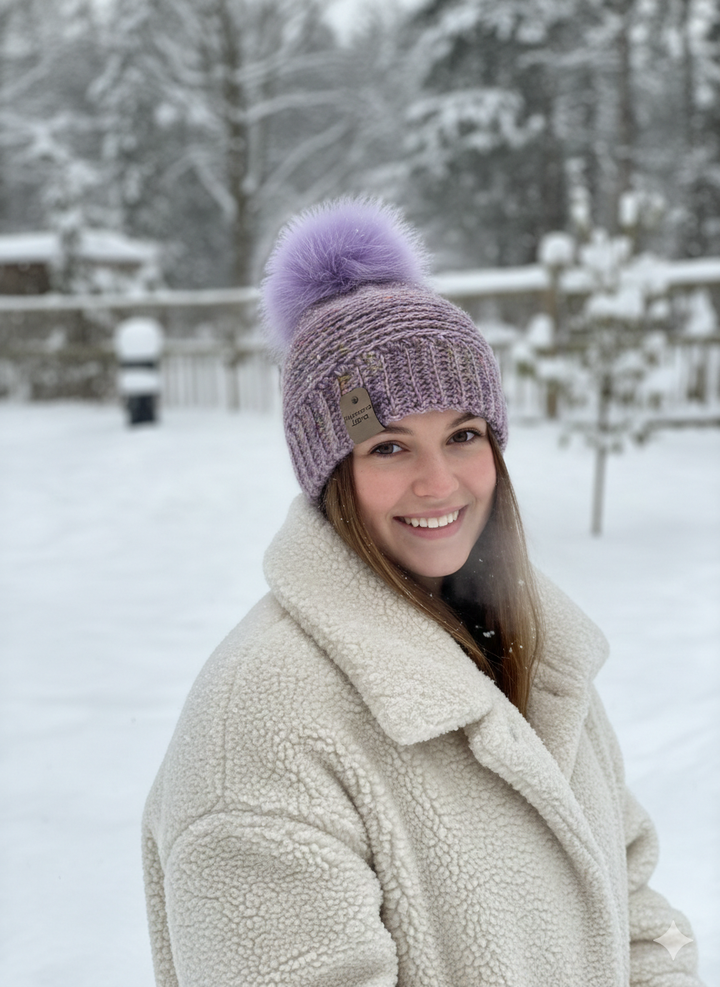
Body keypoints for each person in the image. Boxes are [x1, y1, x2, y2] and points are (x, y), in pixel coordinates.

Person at [142, 199, 703, 987]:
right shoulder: (262, 724)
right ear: (330, 474)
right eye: (389, 446)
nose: (438, 482)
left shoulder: (536, 656)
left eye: (463, 435)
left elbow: (633, 907)